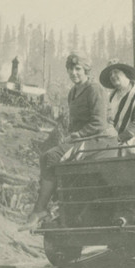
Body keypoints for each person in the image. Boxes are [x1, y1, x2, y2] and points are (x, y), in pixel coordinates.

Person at [24, 50, 118, 229]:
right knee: (48, 158)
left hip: (100, 141)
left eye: (78, 69)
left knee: (51, 157)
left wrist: (79, 135)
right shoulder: (73, 92)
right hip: (85, 139)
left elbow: (99, 123)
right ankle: (56, 209)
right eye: (70, 69)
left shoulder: (94, 89)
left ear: (86, 70)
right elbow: (74, 124)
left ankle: (40, 209)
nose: (73, 73)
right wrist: (73, 136)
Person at [99, 61, 135, 155]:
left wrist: (119, 138)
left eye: (116, 72)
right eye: (110, 74)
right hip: (117, 144)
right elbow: (109, 119)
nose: (112, 76)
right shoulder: (112, 97)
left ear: (125, 74)